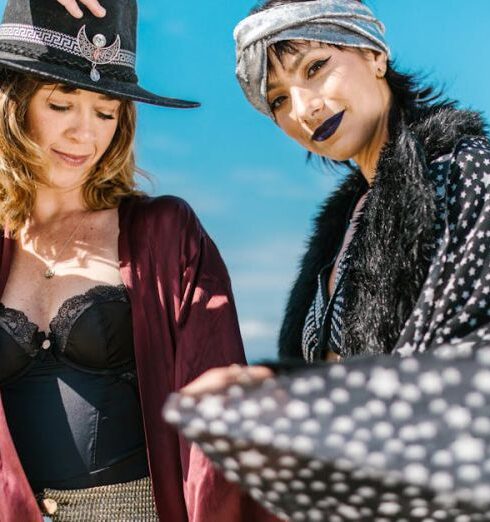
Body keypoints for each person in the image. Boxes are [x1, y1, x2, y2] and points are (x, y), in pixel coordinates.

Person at [166, 0, 490, 520]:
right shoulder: (349, 220)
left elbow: (472, 359)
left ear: (373, 54)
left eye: (315, 68)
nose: (303, 107)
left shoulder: (465, 174)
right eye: (277, 100)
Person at [0, 0, 279, 520]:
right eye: (61, 104)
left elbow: (219, 415)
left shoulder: (165, 234)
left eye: (106, 112)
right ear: (13, 102)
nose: (86, 133)